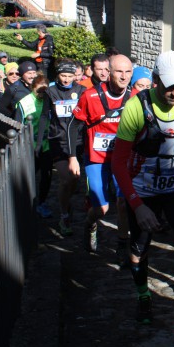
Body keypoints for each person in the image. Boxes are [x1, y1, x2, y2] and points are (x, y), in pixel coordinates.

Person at [111, 51, 174, 347]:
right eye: (169, 86)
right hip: (143, 191)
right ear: (154, 81)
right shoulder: (136, 107)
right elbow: (119, 160)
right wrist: (137, 204)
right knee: (139, 251)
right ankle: (143, 295)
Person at [69, 55, 133, 268]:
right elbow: (73, 126)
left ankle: (123, 245)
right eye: (119, 72)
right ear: (108, 73)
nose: (123, 77)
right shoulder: (90, 95)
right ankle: (90, 224)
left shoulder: (136, 96)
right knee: (102, 208)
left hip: (123, 159)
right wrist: (72, 157)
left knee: (123, 203)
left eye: (128, 72)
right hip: (96, 158)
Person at [36, 60, 86, 235]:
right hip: (57, 140)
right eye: (63, 76)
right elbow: (44, 116)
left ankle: (66, 201)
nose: (66, 80)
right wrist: (39, 142)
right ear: (57, 75)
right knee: (65, 178)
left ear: (75, 76)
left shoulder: (81, 91)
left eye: (69, 76)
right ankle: (64, 215)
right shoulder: (51, 92)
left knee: (74, 179)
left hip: (78, 141)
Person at [15, 73, 53, 218]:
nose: (42, 95)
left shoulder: (50, 100)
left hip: (46, 144)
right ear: (32, 88)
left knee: (47, 175)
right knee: (30, 174)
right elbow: (18, 125)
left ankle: (41, 203)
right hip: (29, 144)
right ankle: (25, 202)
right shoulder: (24, 103)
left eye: (45, 91)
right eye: (39, 91)